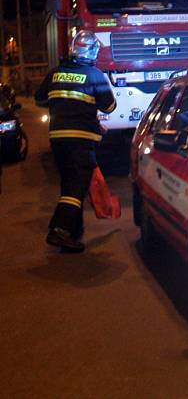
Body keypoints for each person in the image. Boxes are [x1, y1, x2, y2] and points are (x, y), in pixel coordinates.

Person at [35, 30, 116, 252]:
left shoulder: (55, 74)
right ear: (92, 52)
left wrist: (61, 103)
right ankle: (59, 230)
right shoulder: (94, 75)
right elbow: (109, 106)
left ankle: (72, 234)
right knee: (77, 187)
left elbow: (39, 98)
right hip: (82, 140)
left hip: (58, 141)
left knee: (69, 184)